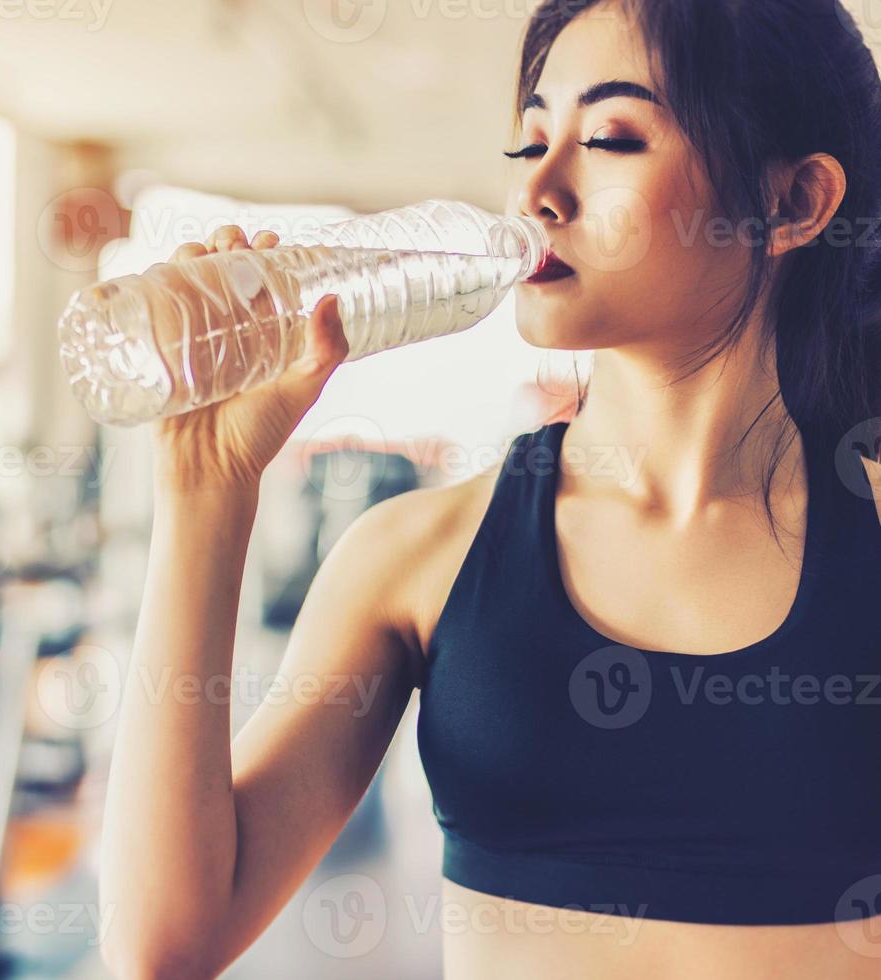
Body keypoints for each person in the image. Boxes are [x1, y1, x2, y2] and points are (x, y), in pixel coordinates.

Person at [97, 0, 881, 977]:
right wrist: (204, 492)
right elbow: (164, 942)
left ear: (796, 200)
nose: (540, 192)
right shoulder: (415, 557)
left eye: (609, 137)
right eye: (530, 142)